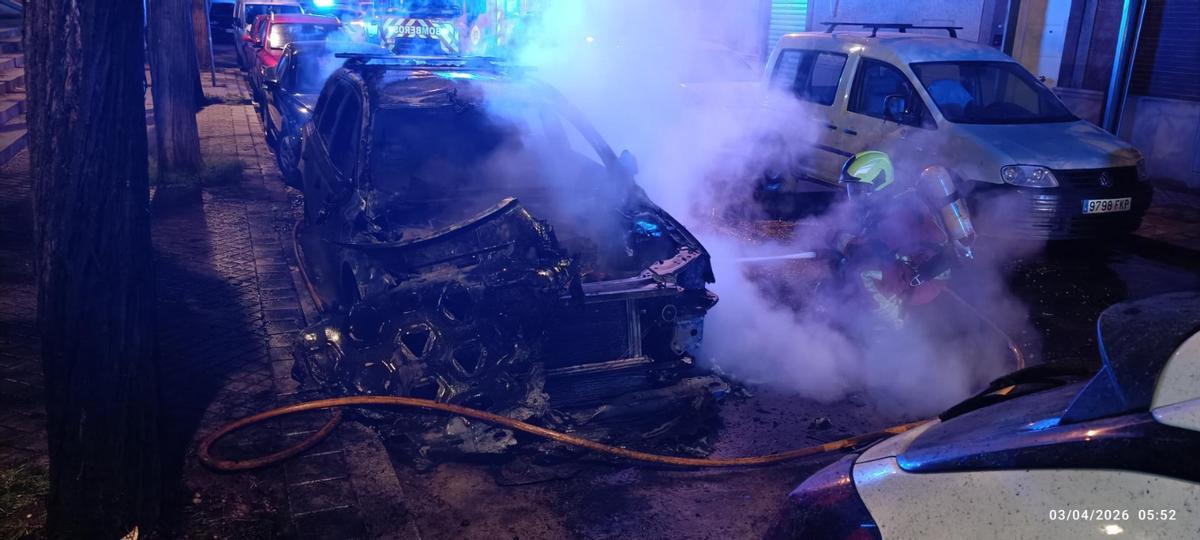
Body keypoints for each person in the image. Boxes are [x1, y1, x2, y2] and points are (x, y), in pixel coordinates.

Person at [829, 151, 975, 329]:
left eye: (858, 190)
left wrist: (843, 242)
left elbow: (872, 248)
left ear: (877, 183)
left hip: (925, 279)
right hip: (914, 266)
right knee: (850, 262)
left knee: (860, 269)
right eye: (851, 190)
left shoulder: (898, 210)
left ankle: (889, 322)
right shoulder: (889, 203)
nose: (853, 197)